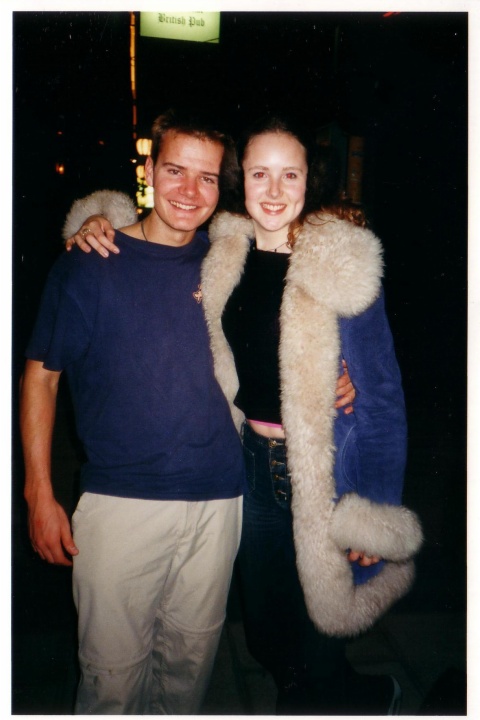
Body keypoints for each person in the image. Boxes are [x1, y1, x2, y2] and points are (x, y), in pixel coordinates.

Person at [64, 114, 422, 715]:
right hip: (251, 472)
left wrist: (379, 509)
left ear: (310, 180)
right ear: (241, 180)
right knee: (268, 630)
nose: (274, 191)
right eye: (260, 174)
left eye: (290, 175)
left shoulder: (342, 262)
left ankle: (348, 696)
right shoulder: (223, 249)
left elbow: (383, 397)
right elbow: (156, 236)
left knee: (320, 633)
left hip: (328, 476)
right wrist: (97, 219)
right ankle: (352, 691)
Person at [20, 109, 249, 715]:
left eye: (206, 177)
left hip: (219, 501)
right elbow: (41, 378)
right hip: (121, 506)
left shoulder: (227, 265)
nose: (189, 191)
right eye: (175, 170)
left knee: (189, 674)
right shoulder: (89, 262)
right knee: (112, 684)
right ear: (148, 169)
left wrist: (341, 377)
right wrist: (39, 494)